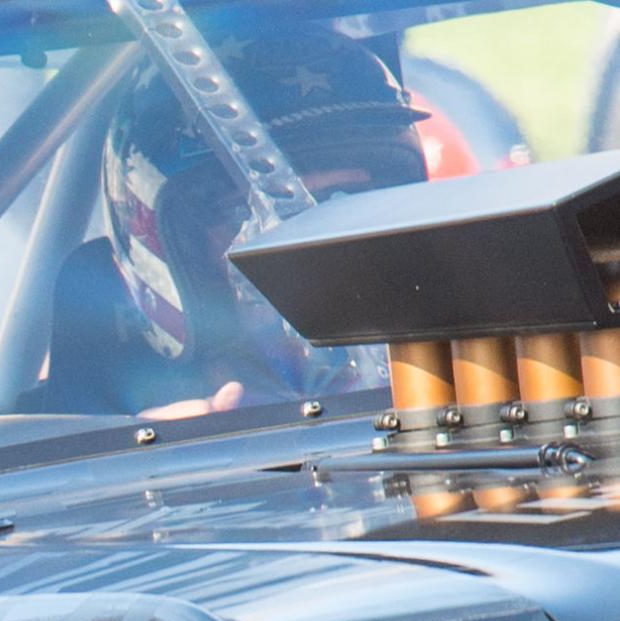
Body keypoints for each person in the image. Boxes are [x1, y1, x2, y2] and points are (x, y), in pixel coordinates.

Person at [29, 30, 431, 419]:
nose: (309, 244)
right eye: (245, 216)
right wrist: (153, 464)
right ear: (172, 245)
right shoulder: (87, 454)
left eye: (348, 203)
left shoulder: (466, 375)